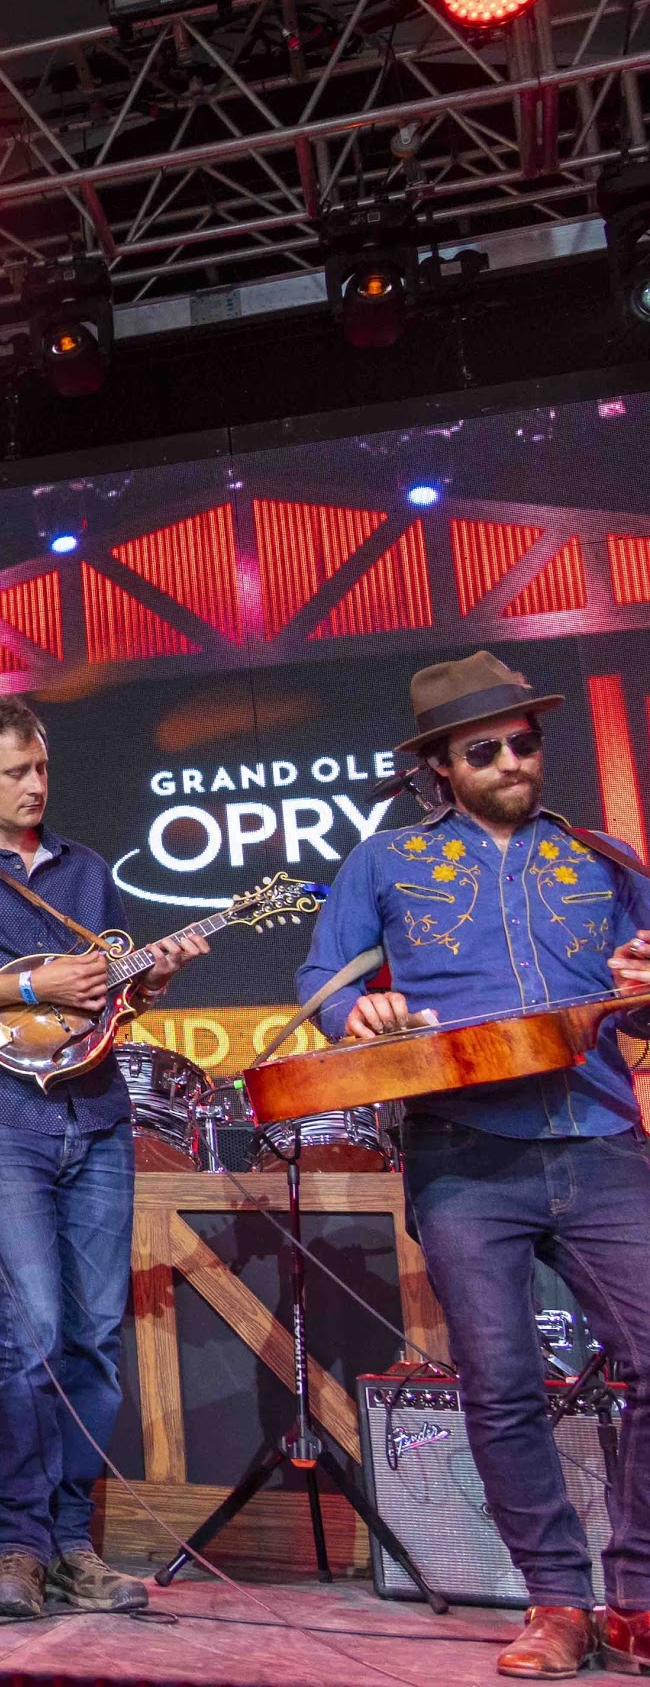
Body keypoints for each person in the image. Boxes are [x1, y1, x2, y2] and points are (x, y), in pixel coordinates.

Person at [295, 653, 650, 1680]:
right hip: (463, 1153)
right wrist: (354, 1009)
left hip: (600, 1137)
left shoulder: (603, 856)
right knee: (499, 1384)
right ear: (441, 767)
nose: (509, 760)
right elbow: (326, 974)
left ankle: (634, 1594)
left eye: (523, 743)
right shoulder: (387, 862)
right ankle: (557, 1603)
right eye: (482, 749)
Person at [0, 694, 203, 1620]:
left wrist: (144, 982)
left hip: (97, 1115)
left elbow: (99, 1006)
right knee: (31, 1336)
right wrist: (30, 978)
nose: (34, 787)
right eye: (15, 771)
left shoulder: (88, 870)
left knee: (96, 1336)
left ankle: (72, 1544)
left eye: (43, 770)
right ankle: (14, 1547)